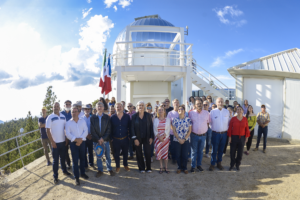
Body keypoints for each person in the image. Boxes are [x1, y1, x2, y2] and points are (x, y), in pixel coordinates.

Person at [46, 102, 71, 184]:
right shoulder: (50, 117)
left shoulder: (63, 117)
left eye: (57, 106)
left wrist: (66, 138)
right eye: (54, 106)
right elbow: (47, 130)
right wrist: (52, 142)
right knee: (55, 161)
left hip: (63, 142)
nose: (56, 108)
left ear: (59, 107)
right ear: (52, 108)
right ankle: (55, 176)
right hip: (55, 143)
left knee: (63, 158)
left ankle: (64, 171)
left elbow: (65, 128)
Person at [90, 102, 115, 177]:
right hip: (96, 141)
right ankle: (100, 170)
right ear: (96, 108)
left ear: (103, 108)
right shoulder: (93, 117)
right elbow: (92, 130)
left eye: (101, 106)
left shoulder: (107, 117)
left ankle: (109, 169)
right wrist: (98, 139)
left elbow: (108, 129)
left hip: (106, 140)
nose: (100, 108)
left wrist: (103, 138)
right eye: (98, 106)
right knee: (99, 156)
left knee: (108, 155)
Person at [66, 106, 89, 185]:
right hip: (73, 144)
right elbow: (68, 134)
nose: (74, 113)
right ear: (71, 113)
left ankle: (82, 173)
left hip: (82, 142)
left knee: (83, 159)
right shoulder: (68, 123)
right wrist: (76, 140)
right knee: (75, 161)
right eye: (73, 112)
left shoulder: (82, 121)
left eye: (76, 111)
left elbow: (86, 130)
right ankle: (76, 177)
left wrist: (80, 139)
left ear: (79, 113)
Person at [131, 101, 154, 173]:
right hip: (138, 138)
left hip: (147, 137)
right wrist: (135, 139)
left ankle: (149, 168)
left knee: (147, 153)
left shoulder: (148, 115)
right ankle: (141, 168)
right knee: (139, 153)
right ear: (137, 107)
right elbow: (132, 128)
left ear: (144, 107)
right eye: (139, 105)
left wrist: (151, 137)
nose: (141, 107)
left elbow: (151, 127)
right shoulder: (134, 116)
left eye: (142, 105)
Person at [209, 97, 230, 171]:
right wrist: (215, 129)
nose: (220, 103)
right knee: (214, 150)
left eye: (221, 102)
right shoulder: (212, 112)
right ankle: (212, 164)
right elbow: (209, 123)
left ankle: (219, 163)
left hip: (224, 134)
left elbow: (228, 122)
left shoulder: (226, 112)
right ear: (216, 103)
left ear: (223, 102)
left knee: (221, 150)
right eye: (219, 102)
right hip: (215, 134)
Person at [189, 99, 210, 173]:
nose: (199, 105)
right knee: (194, 152)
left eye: (200, 103)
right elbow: (189, 124)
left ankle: (199, 165)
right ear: (194, 105)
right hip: (194, 135)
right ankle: (193, 166)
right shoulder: (191, 113)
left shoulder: (207, 113)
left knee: (201, 151)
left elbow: (207, 123)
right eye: (197, 103)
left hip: (203, 136)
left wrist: (203, 130)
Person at [110, 102, 131, 173]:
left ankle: (125, 165)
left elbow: (130, 127)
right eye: (117, 107)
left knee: (125, 153)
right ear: (115, 108)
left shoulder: (127, 116)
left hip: (125, 138)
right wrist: (111, 138)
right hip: (115, 139)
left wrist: (129, 136)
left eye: (120, 106)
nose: (119, 108)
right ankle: (117, 166)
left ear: (123, 107)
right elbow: (110, 128)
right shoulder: (112, 117)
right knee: (116, 154)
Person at [227, 106, 250, 171]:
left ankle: (237, 164)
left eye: (240, 109)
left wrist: (247, 137)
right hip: (234, 137)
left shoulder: (245, 119)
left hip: (242, 138)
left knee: (240, 153)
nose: (239, 110)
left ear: (243, 111)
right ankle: (232, 164)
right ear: (236, 111)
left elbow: (247, 129)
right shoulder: (233, 119)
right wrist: (230, 137)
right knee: (232, 152)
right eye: (238, 109)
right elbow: (230, 129)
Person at [172, 105, 192, 174]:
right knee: (178, 155)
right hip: (177, 140)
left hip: (185, 140)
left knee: (185, 155)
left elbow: (189, 131)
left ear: (184, 111)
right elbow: (174, 130)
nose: (180, 110)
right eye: (179, 109)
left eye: (182, 109)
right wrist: (179, 139)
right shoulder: (175, 120)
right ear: (178, 111)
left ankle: (185, 168)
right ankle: (179, 167)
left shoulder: (188, 119)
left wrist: (184, 139)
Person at [153, 105, 171, 174]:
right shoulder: (155, 120)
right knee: (160, 153)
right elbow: (154, 130)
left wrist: (163, 137)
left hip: (165, 139)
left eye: (162, 110)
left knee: (165, 154)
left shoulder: (168, 119)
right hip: (158, 139)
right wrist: (159, 137)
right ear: (158, 111)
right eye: (159, 110)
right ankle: (161, 167)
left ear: (164, 111)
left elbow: (168, 130)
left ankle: (166, 167)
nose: (160, 111)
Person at [82, 104, 96, 170]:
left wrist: (91, 135)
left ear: (90, 110)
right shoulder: (81, 118)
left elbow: (94, 127)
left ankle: (91, 163)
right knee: (84, 152)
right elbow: (81, 128)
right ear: (84, 110)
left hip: (91, 137)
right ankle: (85, 165)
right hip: (84, 138)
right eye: (86, 109)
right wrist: (86, 135)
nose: (87, 110)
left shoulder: (92, 118)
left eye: (88, 109)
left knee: (91, 151)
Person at [167, 99, 180, 165]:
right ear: (173, 104)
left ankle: (178, 158)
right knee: (172, 147)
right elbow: (169, 123)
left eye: (177, 103)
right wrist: (174, 131)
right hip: (172, 133)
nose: (176, 104)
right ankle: (173, 158)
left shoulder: (181, 112)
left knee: (178, 146)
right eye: (175, 103)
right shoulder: (170, 113)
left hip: (180, 134)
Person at [61, 100, 72, 170]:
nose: (68, 105)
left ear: (71, 105)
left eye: (69, 104)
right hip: (64, 136)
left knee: (73, 150)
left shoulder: (73, 113)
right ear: (64, 105)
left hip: (72, 136)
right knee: (65, 152)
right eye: (66, 104)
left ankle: (76, 163)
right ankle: (68, 163)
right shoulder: (60, 114)